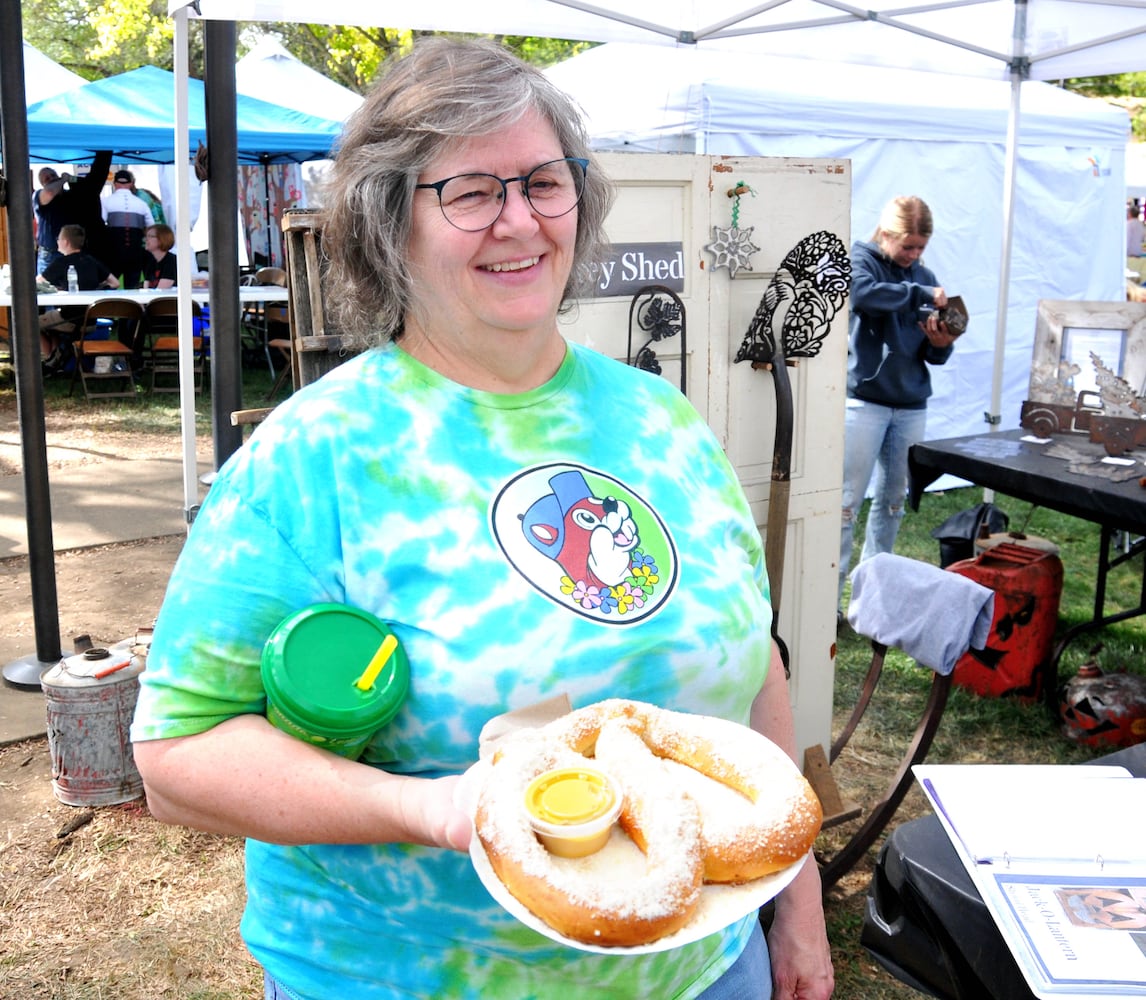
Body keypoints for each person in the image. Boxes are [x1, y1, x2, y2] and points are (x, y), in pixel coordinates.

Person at [129, 37, 833, 1000]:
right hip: (410, 977)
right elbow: (178, 759)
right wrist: (436, 809)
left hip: (702, 965)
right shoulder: (315, 457)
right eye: (471, 192)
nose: (520, 221)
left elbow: (757, 662)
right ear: (391, 223)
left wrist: (796, 904)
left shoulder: (662, 423)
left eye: (546, 181)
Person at [837, 195, 956, 619]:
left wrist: (942, 345)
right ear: (885, 233)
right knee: (846, 503)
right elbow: (863, 295)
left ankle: (872, 598)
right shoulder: (860, 260)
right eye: (907, 246)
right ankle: (829, 601)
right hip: (862, 402)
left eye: (921, 247)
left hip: (910, 404)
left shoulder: (923, 276)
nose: (914, 256)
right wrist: (921, 292)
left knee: (892, 502)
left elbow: (932, 351)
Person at [38, 223, 118, 372]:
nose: (57, 241)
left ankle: (51, 360)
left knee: (31, 325)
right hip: (91, 320)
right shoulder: (91, 260)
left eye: (59, 239)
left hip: (69, 319)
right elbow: (115, 283)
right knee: (51, 323)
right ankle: (56, 359)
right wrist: (96, 288)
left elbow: (37, 283)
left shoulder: (61, 262)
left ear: (66, 242)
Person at [32, 151, 113, 275]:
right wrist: (63, 179)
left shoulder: (70, 196)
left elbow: (91, 186)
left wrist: (71, 179)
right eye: (47, 178)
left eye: (53, 175)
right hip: (50, 254)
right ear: (43, 184)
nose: (51, 178)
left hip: (70, 251)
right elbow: (49, 193)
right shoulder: (39, 195)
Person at [101, 168, 154, 288]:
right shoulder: (142, 204)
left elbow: (101, 223)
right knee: (133, 287)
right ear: (131, 184)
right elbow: (151, 227)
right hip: (135, 252)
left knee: (110, 286)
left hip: (113, 252)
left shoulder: (106, 202)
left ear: (115, 183)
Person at [142, 224, 178, 289]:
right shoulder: (151, 262)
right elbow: (146, 288)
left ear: (162, 239)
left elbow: (162, 290)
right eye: (146, 236)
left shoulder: (172, 261)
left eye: (150, 236)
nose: (146, 239)